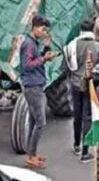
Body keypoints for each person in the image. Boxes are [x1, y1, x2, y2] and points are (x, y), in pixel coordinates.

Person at [64, 18, 99, 163]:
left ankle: (76, 144)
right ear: (93, 29)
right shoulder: (97, 47)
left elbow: (67, 66)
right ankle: (85, 151)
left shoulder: (71, 45)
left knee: (77, 115)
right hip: (90, 84)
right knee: (87, 116)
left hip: (75, 84)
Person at [20, 15, 55, 169]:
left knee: (35, 121)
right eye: (42, 29)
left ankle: (31, 154)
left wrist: (46, 51)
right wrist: (43, 60)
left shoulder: (34, 43)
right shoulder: (28, 44)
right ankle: (31, 156)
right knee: (41, 123)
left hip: (36, 85)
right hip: (32, 87)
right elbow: (27, 65)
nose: (44, 32)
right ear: (34, 27)